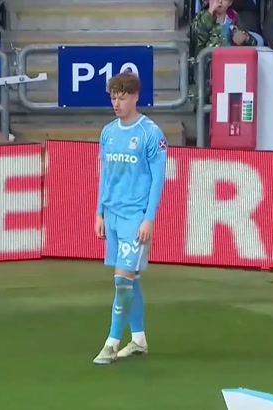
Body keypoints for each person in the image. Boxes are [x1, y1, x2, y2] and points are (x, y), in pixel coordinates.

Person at [92, 73, 168, 365]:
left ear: (136, 97)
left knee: (122, 281)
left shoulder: (150, 134)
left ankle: (111, 344)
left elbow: (158, 179)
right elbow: (105, 174)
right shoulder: (108, 132)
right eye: (113, 97)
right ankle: (138, 340)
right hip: (112, 214)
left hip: (135, 217)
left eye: (122, 97)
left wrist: (149, 219)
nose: (117, 103)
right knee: (131, 280)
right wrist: (99, 211)